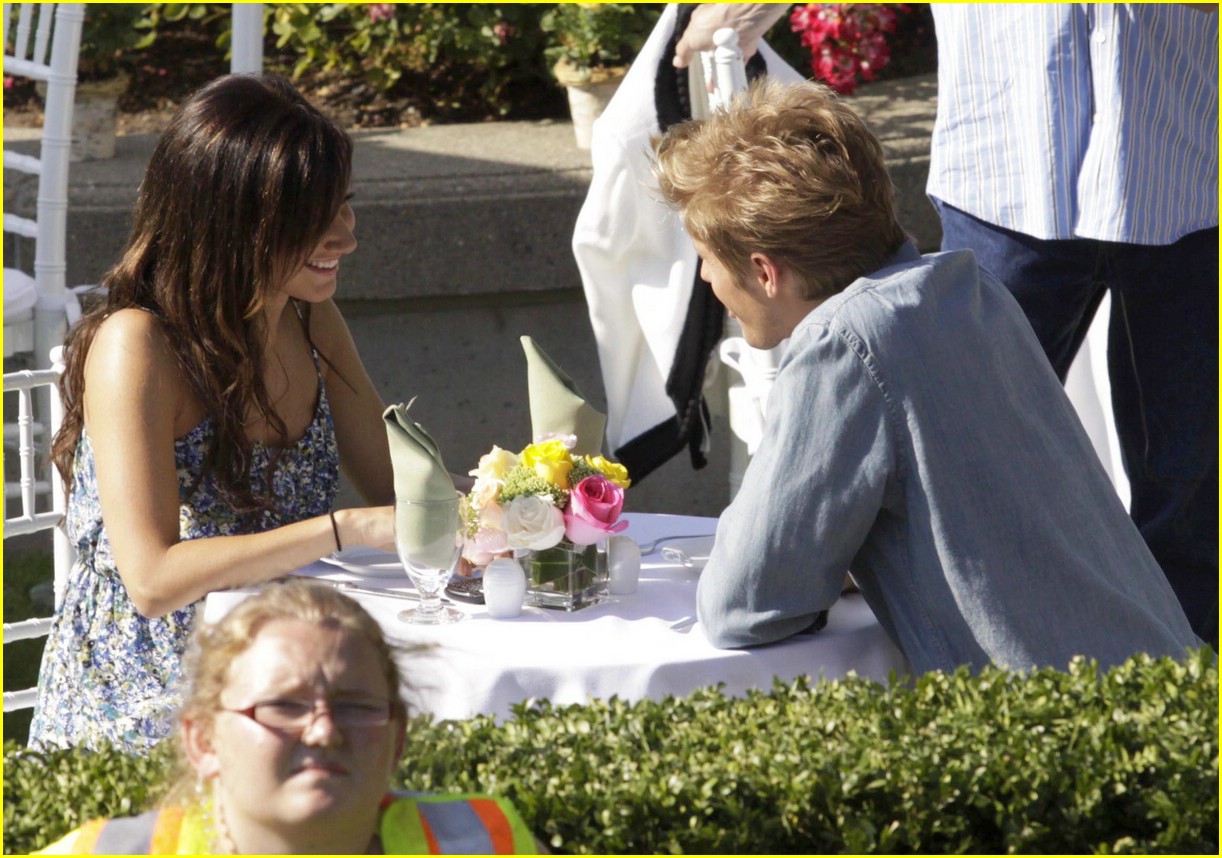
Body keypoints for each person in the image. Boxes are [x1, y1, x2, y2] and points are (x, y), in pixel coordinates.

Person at [653, 79, 1201, 673]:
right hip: (1174, 683)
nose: (705, 278)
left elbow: (741, 604)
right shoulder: (966, 290)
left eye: (706, 259)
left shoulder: (843, 342)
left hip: (1062, 720)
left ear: (765, 271)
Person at [30, 74, 398, 752]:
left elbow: (397, 485)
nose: (344, 237)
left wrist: (522, 495)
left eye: (343, 206)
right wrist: (343, 529)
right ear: (232, 221)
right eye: (312, 217)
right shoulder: (138, 347)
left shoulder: (310, 316)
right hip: (151, 705)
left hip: (287, 666)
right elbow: (152, 581)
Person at [926, 4, 1219, 648]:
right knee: (964, 466)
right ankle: (982, 680)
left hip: (1191, 161)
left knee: (1194, 489)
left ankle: (1187, 685)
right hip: (1005, 166)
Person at [35, 579, 539, 854]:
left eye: (356, 706)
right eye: (283, 706)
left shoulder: (489, 840)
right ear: (203, 741)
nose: (324, 730)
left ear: (398, 738)